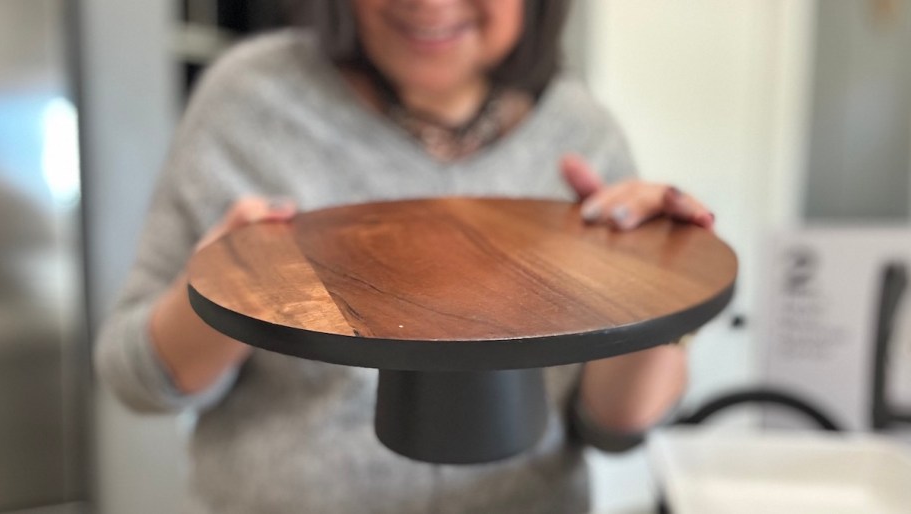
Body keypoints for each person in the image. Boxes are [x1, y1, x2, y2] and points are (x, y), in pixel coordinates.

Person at [95, 1, 714, 512]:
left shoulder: (580, 130)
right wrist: (227, 285)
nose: (430, 4)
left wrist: (658, 293)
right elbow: (136, 375)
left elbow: (614, 425)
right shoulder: (251, 101)